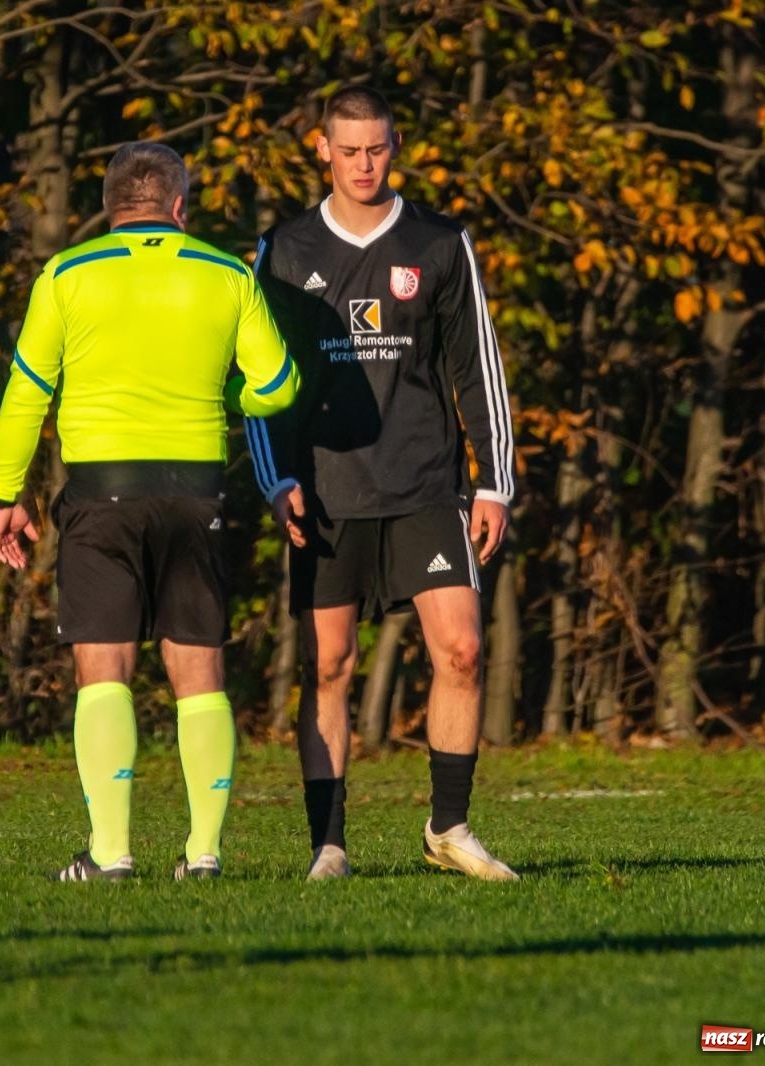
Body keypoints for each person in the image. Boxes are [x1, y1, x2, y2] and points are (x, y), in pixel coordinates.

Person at [0, 141, 299, 883]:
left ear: (108, 208)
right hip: (195, 490)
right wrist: (225, 402)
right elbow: (280, 384)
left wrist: (7, 493)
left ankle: (111, 853)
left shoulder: (66, 274)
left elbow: (27, 393)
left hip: (102, 492)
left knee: (105, 670)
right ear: (180, 207)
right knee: (199, 670)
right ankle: (204, 853)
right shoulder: (228, 274)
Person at [246, 86, 518, 882]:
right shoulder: (285, 250)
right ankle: (328, 845)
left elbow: (479, 369)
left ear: (396, 147)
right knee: (329, 665)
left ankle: (449, 827)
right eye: (349, 150)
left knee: (462, 649)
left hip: (428, 484)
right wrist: (279, 479)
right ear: (320, 148)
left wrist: (494, 482)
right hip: (329, 495)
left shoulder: (440, 243)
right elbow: (261, 382)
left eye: (378, 149)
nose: (365, 165)